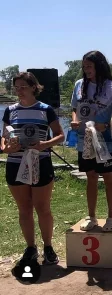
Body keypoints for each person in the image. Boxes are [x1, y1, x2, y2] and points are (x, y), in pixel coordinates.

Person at [1, 72, 65, 264]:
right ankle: (30, 247)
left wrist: (45, 144)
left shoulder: (46, 110)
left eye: (23, 87)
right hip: (15, 163)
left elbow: (60, 135)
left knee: (43, 208)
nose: (19, 91)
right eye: (16, 87)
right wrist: (5, 148)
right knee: (24, 209)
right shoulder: (10, 110)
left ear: (33, 87)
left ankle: (48, 247)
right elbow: (3, 138)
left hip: (41, 162)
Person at [71, 50, 112, 231]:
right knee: (91, 176)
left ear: (99, 66)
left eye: (89, 66)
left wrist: (107, 126)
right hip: (84, 139)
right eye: (84, 66)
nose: (86, 70)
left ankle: (111, 218)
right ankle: (91, 217)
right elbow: (74, 107)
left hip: (106, 141)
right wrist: (75, 120)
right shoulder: (79, 85)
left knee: (109, 177)